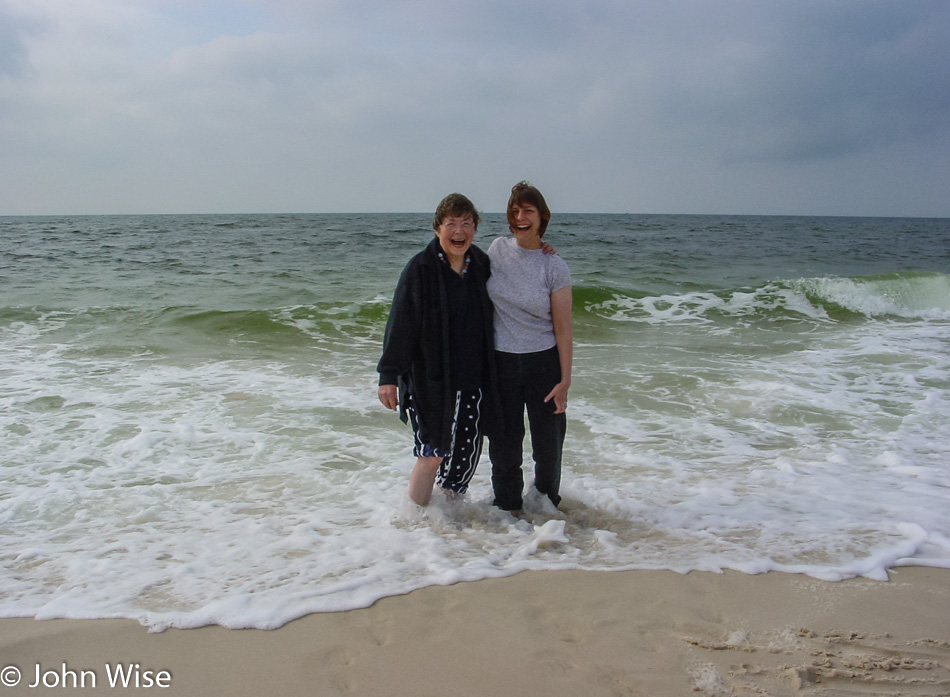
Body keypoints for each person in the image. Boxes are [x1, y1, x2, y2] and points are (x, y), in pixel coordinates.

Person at [377, 193, 499, 506]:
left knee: (464, 456)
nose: (460, 231)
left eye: (467, 223)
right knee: (432, 453)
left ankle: (446, 528)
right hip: (430, 380)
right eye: (451, 224)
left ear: (475, 228)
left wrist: (542, 249)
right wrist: (388, 375)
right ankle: (416, 521)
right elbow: (400, 324)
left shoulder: (482, 265)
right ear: (437, 229)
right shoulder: (421, 269)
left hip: (473, 379)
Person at [487, 181, 573, 515]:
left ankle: (546, 506)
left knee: (548, 446)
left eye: (528, 211)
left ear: (541, 217)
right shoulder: (496, 249)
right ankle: (507, 510)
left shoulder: (554, 266)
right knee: (505, 444)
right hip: (501, 362)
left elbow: (564, 328)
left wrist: (565, 381)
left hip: (543, 364)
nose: (520, 217)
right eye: (515, 211)